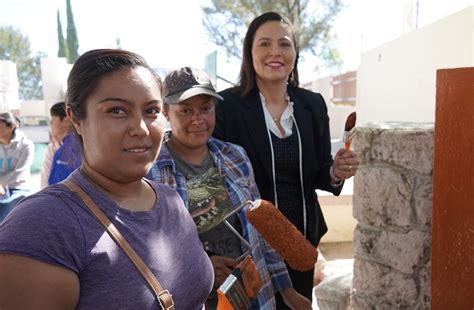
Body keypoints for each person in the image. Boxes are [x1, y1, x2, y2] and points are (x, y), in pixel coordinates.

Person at [0, 49, 213, 309]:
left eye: (151, 110)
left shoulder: (169, 198)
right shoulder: (44, 226)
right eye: (117, 110)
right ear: (76, 119)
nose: (141, 128)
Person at [213, 12, 360, 305]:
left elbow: (319, 170)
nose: (275, 52)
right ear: (249, 53)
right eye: (264, 44)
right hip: (247, 246)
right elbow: (216, 184)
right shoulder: (226, 107)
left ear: (294, 53)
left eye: (284, 44)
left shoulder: (312, 105)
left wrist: (335, 172)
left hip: (300, 241)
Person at [147, 67, 312, 309]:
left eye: (206, 108)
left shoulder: (234, 156)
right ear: (166, 112)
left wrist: (286, 290)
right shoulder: (150, 171)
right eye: (185, 110)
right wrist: (202, 266)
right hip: (197, 299)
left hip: (253, 294)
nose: (198, 120)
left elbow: (261, 227)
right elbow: (147, 249)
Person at [0, 112, 34, 222]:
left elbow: (20, 172)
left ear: (11, 126)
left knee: (6, 212)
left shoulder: (26, 145)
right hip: (1, 189)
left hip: (18, 188)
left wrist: (1, 183)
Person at [40, 101, 76, 188]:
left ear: (67, 119)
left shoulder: (84, 146)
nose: (51, 125)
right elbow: (46, 176)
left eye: (52, 120)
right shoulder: (52, 147)